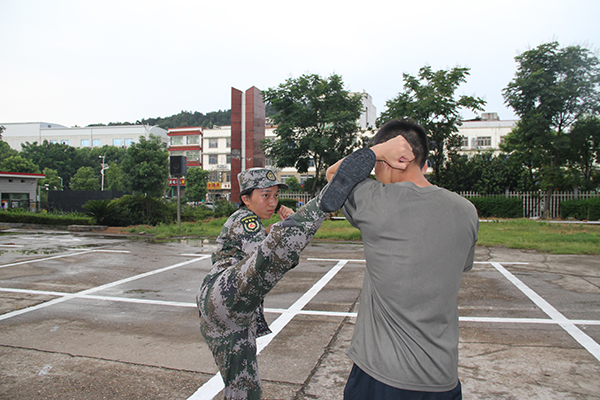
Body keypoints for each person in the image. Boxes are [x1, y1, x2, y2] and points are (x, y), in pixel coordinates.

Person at [325, 119, 479, 400]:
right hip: (442, 378)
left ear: (395, 159)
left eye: (378, 162)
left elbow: (333, 174)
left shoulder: (376, 202)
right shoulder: (466, 211)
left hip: (382, 377)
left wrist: (377, 150)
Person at [197, 163, 373, 400]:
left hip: (231, 314)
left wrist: (274, 233)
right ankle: (317, 208)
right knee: (243, 386)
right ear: (246, 199)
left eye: (276, 195)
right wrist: (284, 230)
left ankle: (304, 220)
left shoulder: (250, 223)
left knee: (242, 384)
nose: (273, 202)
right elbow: (263, 261)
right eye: (265, 195)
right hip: (226, 296)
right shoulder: (245, 220)